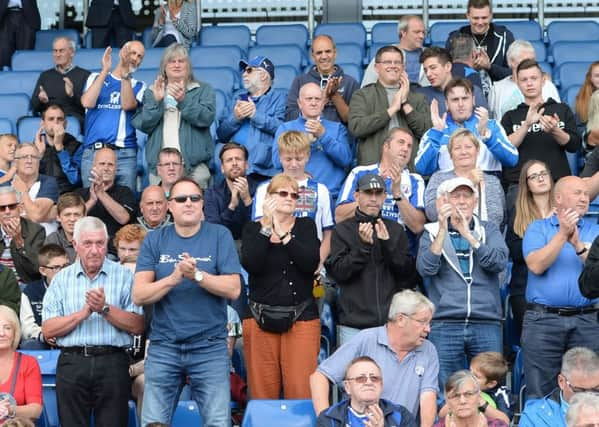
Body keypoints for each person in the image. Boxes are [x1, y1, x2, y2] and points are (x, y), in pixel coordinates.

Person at [133, 177, 241, 426]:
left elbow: (234, 289)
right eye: (181, 199)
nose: (189, 203)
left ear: (203, 204)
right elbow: (139, 294)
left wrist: (198, 276)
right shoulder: (154, 239)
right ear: (169, 206)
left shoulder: (219, 235)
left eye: (195, 198)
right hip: (163, 347)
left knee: (217, 422)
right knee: (152, 423)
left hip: (210, 346)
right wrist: (173, 278)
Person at [41, 216, 143, 427]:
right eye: (87, 243)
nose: (95, 250)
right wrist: (82, 314)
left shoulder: (124, 276)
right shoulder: (61, 279)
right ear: (75, 245)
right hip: (72, 362)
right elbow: (48, 328)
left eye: (100, 243)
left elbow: (138, 325)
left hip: (113, 362)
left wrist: (104, 309)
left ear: (107, 243)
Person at [418, 177, 508, 394]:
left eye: (466, 196)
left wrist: (468, 234)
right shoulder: (430, 232)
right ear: (444, 201)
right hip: (445, 322)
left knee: (491, 390)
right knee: (447, 390)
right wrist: (442, 230)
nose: (461, 201)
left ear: (475, 201)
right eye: (455, 196)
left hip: (485, 321)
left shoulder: (489, 230)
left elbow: (498, 262)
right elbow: (425, 269)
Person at [241, 174, 320, 399]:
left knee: (301, 392)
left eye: (294, 195)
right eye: (283, 193)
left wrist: (284, 234)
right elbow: (252, 264)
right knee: (261, 394)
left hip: (301, 315)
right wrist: (267, 226)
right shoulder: (252, 228)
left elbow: (309, 263)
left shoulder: (306, 226)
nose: (289, 198)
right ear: (269, 197)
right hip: (259, 317)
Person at [310, 290, 438, 427]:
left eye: (429, 323)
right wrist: (326, 421)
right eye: (423, 322)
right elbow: (319, 377)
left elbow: (428, 396)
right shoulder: (366, 339)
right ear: (401, 319)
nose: (428, 329)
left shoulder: (428, 349)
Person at [522, 176, 599, 399]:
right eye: (577, 193)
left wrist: (577, 245)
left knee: (590, 393)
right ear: (558, 198)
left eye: (586, 194)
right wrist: (562, 234)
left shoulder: (595, 231)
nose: (584, 198)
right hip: (543, 321)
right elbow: (536, 265)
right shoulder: (538, 228)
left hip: (587, 321)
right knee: (541, 393)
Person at [326, 173, 415, 344]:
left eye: (378, 193)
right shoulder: (342, 230)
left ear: (384, 197)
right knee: (354, 371)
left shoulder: (395, 229)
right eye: (368, 193)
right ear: (357, 196)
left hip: (390, 326)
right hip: (353, 326)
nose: (373, 199)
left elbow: (407, 276)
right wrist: (363, 248)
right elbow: (339, 273)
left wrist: (387, 245)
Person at [133, 43, 215, 188]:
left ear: (188, 66)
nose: (176, 65)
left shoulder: (203, 89)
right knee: (160, 208)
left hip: (194, 167)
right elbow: (145, 125)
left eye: (181, 61)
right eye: (171, 61)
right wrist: (157, 103)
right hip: (161, 168)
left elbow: (206, 118)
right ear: (164, 67)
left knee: (197, 207)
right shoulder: (152, 92)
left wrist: (184, 100)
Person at [502, 59, 580, 207]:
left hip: (557, 181)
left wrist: (555, 131)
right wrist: (526, 126)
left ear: (543, 80)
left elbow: (574, 145)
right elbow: (506, 149)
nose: (529, 83)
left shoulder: (561, 109)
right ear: (518, 84)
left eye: (533, 78)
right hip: (521, 185)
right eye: (524, 80)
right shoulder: (510, 116)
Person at [253, 131, 334, 273]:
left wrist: (318, 261)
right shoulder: (265, 189)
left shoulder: (321, 190)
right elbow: (259, 228)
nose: (294, 164)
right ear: (279, 157)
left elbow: (328, 233)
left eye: (299, 158)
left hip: (311, 267)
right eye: (288, 159)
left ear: (308, 156)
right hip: (273, 266)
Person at [335, 127, 426, 254]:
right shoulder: (360, 172)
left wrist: (397, 194)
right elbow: (339, 216)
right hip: (362, 250)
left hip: (399, 255)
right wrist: (369, 197)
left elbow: (418, 226)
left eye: (409, 146)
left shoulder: (415, 180)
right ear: (386, 146)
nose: (405, 148)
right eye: (401, 142)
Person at [415, 77, 518, 177]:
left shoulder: (491, 125)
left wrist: (487, 136)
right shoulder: (436, 131)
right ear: (446, 104)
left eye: (465, 98)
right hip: (450, 191)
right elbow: (422, 169)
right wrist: (437, 133)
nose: (460, 104)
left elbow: (512, 160)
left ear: (473, 100)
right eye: (455, 100)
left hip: (487, 187)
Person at [349, 45, 432, 166]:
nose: (393, 65)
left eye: (397, 62)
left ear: (403, 67)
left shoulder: (417, 98)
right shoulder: (362, 95)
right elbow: (356, 128)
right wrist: (391, 110)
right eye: (387, 62)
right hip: (374, 169)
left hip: (409, 170)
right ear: (376, 68)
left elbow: (426, 132)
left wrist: (405, 104)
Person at [81, 42, 146, 191]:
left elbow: (127, 104)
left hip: (124, 154)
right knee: (92, 202)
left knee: (125, 204)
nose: (135, 58)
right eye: (132, 53)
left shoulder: (139, 86)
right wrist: (105, 70)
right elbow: (87, 102)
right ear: (122, 52)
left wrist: (125, 75)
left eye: (139, 56)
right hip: (93, 152)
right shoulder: (95, 77)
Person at [274, 82, 352, 200]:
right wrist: (302, 142)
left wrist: (323, 136)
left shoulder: (337, 128)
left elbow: (346, 160)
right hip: (295, 195)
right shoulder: (285, 128)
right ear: (300, 103)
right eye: (309, 99)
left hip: (330, 195)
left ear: (323, 103)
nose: (313, 103)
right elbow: (276, 162)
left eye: (317, 99)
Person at [216, 55, 286, 182]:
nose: (243, 75)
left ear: (263, 75)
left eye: (249, 70)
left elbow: (283, 130)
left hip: (263, 171)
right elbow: (221, 134)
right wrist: (235, 118)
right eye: (244, 71)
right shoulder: (237, 97)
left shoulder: (279, 98)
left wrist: (255, 115)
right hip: (235, 168)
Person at [505, 160, 553, 340]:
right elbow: (517, 252)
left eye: (543, 173)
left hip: (559, 290)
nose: (540, 179)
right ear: (527, 184)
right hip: (525, 289)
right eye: (534, 176)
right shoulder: (519, 214)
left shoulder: (563, 211)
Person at [424, 128, 505, 227]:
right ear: (450, 154)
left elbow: (500, 218)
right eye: (457, 148)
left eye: (468, 147)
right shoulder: (438, 178)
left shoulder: (493, 182)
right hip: (450, 238)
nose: (463, 152)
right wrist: (468, 182)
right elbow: (431, 214)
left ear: (477, 150)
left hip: (488, 238)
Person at [316, 356, 417, 427]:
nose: (369, 382)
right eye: (361, 378)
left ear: (381, 385)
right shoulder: (329, 418)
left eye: (374, 378)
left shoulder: (401, 414)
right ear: (347, 387)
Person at [446, 0, 514, 97]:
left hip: (501, 96)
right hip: (464, 96)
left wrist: (490, 67)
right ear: (467, 16)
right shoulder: (456, 38)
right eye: (475, 18)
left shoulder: (505, 36)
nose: (480, 22)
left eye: (484, 18)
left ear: (491, 16)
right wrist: (468, 67)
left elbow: (515, 74)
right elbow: (446, 72)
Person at [286, 34, 360, 124]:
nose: (324, 56)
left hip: (339, 136)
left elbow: (356, 121)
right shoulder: (300, 81)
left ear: (335, 53)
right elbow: (290, 116)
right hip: (306, 135)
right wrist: (322, 99)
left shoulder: (350, 82)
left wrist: (335, 96)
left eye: (328, 51)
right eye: (319, 53)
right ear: (313, 56)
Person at [76, 147, 137, 256]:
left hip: (114, 254)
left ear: (116, 168)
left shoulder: (125, 192)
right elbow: (73, 222)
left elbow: (123, 218)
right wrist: (91, 201)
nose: (106, 168)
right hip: (86, 252)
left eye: (110, 164)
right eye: (102, 164)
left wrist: (101, 194)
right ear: (93, 166)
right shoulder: (80, 194)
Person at [519, 347, 599, 427]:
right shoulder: (535, 416)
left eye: (596, 390)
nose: (588, 396)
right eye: (579, 390)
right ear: (561, 382)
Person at [488, 40, 560, 121]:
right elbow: (492, 121)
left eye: (532, 61)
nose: (529, 65)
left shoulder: (547, 86)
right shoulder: (497, 89)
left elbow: (558, 115)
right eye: (525, 61)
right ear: (511, 62)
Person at [30, 37, 91, 126]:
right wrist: (42, 101)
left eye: (61, 51)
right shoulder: (45, 75)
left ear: (72, 53)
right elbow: (34, 107)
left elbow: (88, 106)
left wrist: (72, 95)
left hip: (72, 119)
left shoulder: (85, 75)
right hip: (49, 118)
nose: (57, 54)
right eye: (55, 51)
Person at [203, 143, 257, 242]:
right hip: (224, 245)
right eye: (229, 160)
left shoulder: (259, 189)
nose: (234, 163)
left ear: (247, 165)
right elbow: (214, 232)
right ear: (222, 168)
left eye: (238, 159)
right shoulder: (212, 193)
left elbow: (262, 228)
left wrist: (247, 200)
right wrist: (231, 207)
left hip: (253, 245)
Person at [415, 47, 487, 116]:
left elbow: (486, 123)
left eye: (433, 68)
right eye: (425, 70)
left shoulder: (472, 91)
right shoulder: (421, 95)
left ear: (448, 67)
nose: (428, 74)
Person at [0, 305, 42, 423]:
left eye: (7, 328)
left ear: (15, 333)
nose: (1, 333)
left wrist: (10, 410)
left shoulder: (29, 363)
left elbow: (36, 410)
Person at [362, 15, 427, 87]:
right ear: (403, 33)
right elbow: (366, 86)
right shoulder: (386, 54)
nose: (422, 36)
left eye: (423, 32)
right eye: (417, 32)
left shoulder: (432, 55)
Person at [0, 187, 45, 285]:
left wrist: (19, 240)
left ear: (20, 208)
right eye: (2, 208)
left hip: (24, 286)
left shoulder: (36, 231)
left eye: (12, 207)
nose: (7, 211)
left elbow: (36, 270)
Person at [11, 143, 59, 235]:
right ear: (15, 162)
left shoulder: (49, 182)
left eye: (33, 157)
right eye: (24, 157)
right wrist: (49, 214)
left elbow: (36, 215)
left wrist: (23, 191)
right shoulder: (6, 184)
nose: (29, 161)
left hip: (46, 241)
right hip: (15, 240)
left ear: (39, 161)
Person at [33, 104, 82, 193]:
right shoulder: (35, 146)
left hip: (68, 195)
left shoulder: (76, 146)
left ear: (65, 124)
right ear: (42, 123)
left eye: (60, 119)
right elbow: (28, 179)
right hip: (41, 195)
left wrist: (60, 149)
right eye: (51, 119)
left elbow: (75, 180)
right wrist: (39, 156)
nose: (56, 122)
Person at [434, 370, 508, 427]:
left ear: (479, 397)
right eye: (455, 396)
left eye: (469, 394)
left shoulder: (497, 425)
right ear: (447, 401)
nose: (462, 401)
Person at [22, 244, 69, 332]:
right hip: (42, 337)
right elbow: (27, 328)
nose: (63, 272)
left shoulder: (76, 288)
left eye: (66, 266)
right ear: (43, 271)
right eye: (56, 267)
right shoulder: (31, 292)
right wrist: (45, 334)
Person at [469, 352, 512, 422]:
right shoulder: (462, 386)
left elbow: (505, 421)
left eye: (476, 376)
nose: (469, 377)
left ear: (491, 383)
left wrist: (481, 403)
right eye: (470, 371)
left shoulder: (501, 393)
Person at [45, 192, 86, 263]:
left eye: (77, 214)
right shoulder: (52, 240)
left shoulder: (94, 238)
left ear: (84, 216)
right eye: (67, 215)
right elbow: (53, 271)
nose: (72, 219)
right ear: (58, 217)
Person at [0, 0, 40, 68]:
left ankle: (23, 78)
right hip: (4, 14)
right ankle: (5, 77)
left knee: (25, 55)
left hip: (28, 15)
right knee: (3, 54)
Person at [575, 61, 599, 150]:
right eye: (597, 76)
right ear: (591, 78)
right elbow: (579, 130)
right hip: (593, 150)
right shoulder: (582, 100)